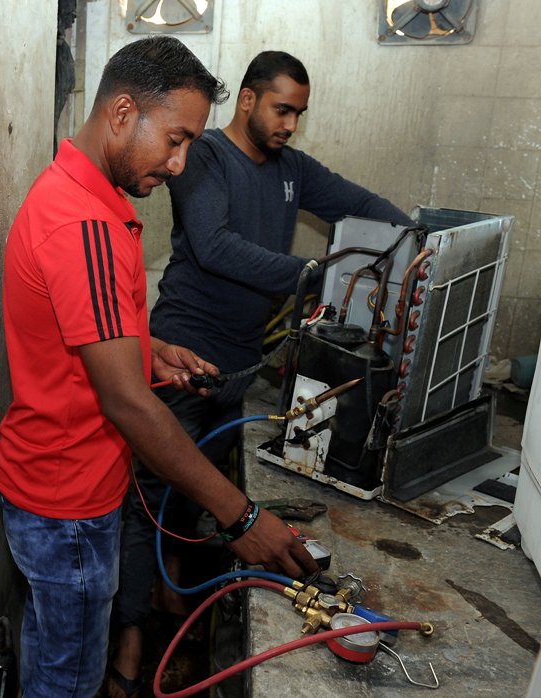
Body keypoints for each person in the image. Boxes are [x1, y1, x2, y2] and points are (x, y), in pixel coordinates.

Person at [0, 38, 318, 698]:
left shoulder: (76, 198)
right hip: (68, 507)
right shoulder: (84, 225)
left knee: (53, 653)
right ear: (120, 113)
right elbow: (129, 406)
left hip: (56, 489)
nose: (179, 163)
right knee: (66, 681)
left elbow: (83, 342)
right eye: (174, 139)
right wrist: (241, 517)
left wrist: (151, 352)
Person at [108, 50, 416, 696]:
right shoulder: (204, 158)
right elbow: (216, 246)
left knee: (193, 495)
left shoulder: (292, 170)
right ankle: (128, 653)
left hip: (239, 371)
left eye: (299, 114)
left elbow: (367, 211)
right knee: (145, 505)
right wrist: (316, 276)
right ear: (247, 101)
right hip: (181, 363)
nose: (290, 125)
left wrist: (417, 242)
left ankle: (175, 601)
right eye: (282, 109)